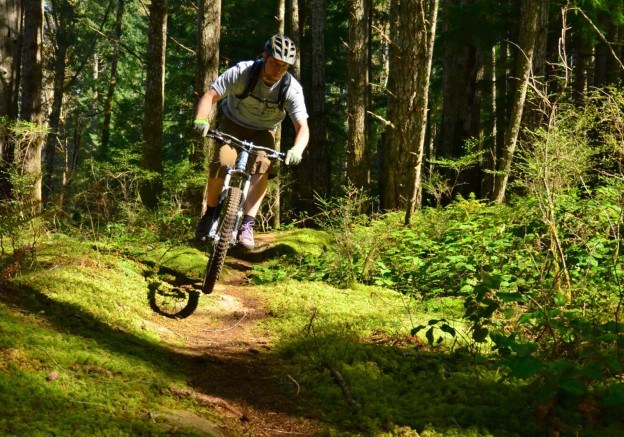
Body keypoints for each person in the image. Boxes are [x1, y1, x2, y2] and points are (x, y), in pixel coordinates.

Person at [193, 34, 309, 250]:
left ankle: (247, 224)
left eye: (284, 66)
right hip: (233, 122)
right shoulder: (243, 72)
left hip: (264, 130)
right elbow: (210, 96)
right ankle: (210, 213)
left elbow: (302, 127)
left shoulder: (291, 89)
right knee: (222, 160)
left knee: (262, 166)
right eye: (275, 63)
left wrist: (297, 149)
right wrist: (201, 119)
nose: (278, 70)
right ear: (264, 57)